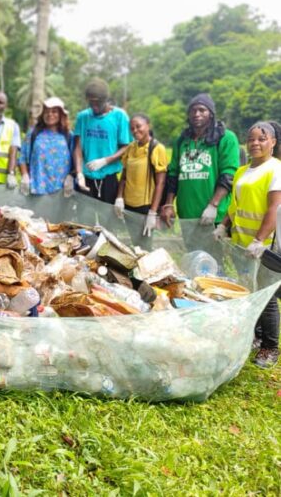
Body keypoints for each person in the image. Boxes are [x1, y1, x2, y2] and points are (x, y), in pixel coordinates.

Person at [213, 121, 281, 368]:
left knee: (267, 294)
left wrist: (259, 240)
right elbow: (235, 205)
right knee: (249, 289)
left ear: (273, 142)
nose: (255, 143)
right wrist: (223, 224)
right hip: (242, 243)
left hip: (265, 245)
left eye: (262, 139)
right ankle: (257, 335)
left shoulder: (276, 169)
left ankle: (270, 347)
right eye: (251, 139)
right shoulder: (242, 171)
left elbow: (274, 208)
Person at [160, 94, 240, 241]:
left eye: (202, 110)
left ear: (211, 114)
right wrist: (168, 204)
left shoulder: (226, 138)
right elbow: (173, 174)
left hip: (214, 215)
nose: (196, 114)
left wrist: (213, 205)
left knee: (215, 261)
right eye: (193, 110)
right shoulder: (181, 141)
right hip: (187, 214)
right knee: (194, 259)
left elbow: (229, 174)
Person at [74, 78, 132, 204]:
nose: (94, 107)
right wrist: (79, 173)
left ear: (106, 100)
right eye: (91, 103)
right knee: (84, 220)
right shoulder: (83, 117)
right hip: (87, 178)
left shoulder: (119, 116)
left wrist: (106, 161)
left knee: (108, 220)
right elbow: (78, 147)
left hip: (108, 178)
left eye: (98, 103)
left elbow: (126, 146)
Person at [114, 114, 168, 250]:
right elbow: (124, 176)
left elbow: (161, 183)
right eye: (132, 128)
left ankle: (148, 270)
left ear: (148, 125)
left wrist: (152, 212)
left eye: (138, 126)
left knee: (145, 246)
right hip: (129, 205)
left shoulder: (156, 148)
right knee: (135, 243)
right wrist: (119, 198)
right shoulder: (131, 148)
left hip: (145, 207)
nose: (135, 131)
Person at [19, 97, 74, 196]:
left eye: (54, 112)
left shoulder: (68, 135)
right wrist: (25, 176)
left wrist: (71, 176)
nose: (50, 115)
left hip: (62, 191)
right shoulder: (33, 133)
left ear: (61, 114)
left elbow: (76, 161)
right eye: (47, 111)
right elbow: (22, 157)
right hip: (37, 189)